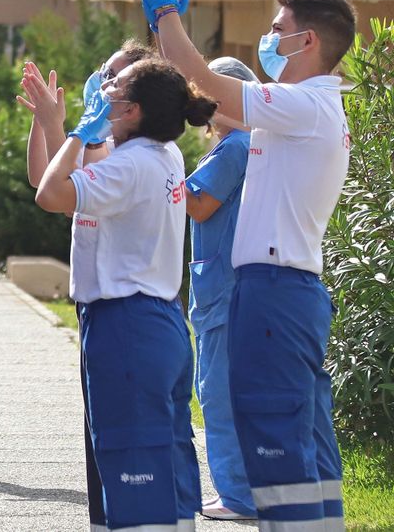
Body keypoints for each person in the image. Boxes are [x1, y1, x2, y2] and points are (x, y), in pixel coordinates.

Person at [135, 0, 355, 532]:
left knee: (275, 440)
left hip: (274, 292)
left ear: (306, 41)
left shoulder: (303, 104)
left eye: (278, 28)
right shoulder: (302, 107)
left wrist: (164, 15)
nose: (270, 38)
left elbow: (199, 74)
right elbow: (211, 100)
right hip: (287, 290)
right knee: (305, 436)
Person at [35, 58, 209, 531]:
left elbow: (50, 194)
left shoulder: (132, 165)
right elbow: (95, 180)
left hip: (127, 323)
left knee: (135, 467)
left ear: (131, 111)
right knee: (163, 459)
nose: (104, 87)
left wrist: (76, 133)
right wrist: (86, 134)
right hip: (158, 321)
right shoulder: (163, 153)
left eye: (115, 85)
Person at [15, 38, 154, 528]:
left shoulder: (134, 150)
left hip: (125, 306)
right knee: (100, 431)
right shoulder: (101, 137)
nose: (103, 79)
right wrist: (45, 121)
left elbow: (67, 188)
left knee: (125, 436)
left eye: (115, 74)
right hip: (94, 300)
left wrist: (66, 128)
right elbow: (41, 176)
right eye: (104, 69)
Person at [185, 56, 260, 522]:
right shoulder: (239, 145)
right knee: (220, 389)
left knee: (218, 393)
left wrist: (162, 176)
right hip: (222, 285)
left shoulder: (235, 148)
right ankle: (240, 490)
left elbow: (200, 205)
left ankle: (237, 495)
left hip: (223, 290)